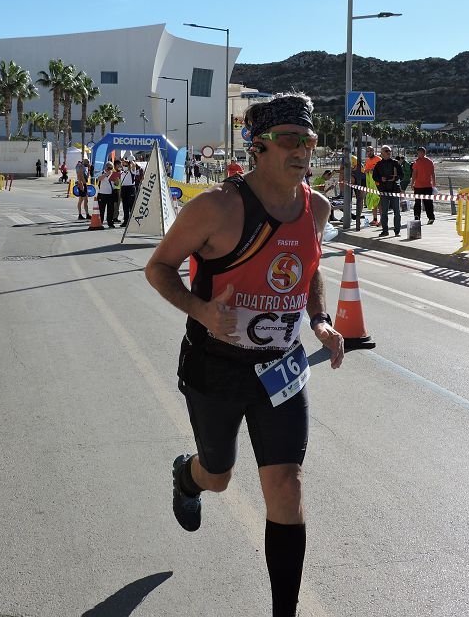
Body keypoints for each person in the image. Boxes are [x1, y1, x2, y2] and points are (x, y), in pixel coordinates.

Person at [145, 92, 344, 617]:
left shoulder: (316, 208)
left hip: (280, 370)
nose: (301, 150)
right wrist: (202, 311)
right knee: (219, 475)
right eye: (288, 140)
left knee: (286, 485)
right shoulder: (216, 208)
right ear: (258, 147)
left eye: (308, 140)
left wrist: (319, 319)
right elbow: (158, 268)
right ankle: (187, 476)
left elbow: (309, 265)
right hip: (215, 367)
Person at [372, 145, 402, 237]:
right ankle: (385, 230)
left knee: (397, 211)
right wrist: (381, 179)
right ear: (382, 153)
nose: (388, 152)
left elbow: (402, 175)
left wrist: (395, 178)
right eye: (386, 151)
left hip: (394, 190)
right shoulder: (379, 164)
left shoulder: (395, 163)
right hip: (384, 190)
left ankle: (397, 231)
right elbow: (374, 177)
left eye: (389, 151)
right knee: (384, 212)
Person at [410, 146, 437, 225]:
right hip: (427, 185)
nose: (418, 154)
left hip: (419, 186)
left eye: (419, 153)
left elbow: (414, 173)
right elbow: (433, 173)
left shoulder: (417, 162)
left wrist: (412, 183)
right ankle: (430, 217)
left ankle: (417, 216)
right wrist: (434, 183)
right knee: (428, 202)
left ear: (423, 153)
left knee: (419, 202)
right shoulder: (430, 161)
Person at [363, 145, 381, 226]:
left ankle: (382, 220)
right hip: (370, 185)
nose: (369, 152)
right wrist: (368, 170)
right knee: (373, 202)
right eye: (368, 151)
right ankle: (375, 219)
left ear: (373, 151)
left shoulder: (378, 159)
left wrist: (372, 170)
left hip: (378, 185)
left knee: (379, 202)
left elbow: (380, 170)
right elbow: (365, 171)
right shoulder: (367, 161)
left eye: (370, 151)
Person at [96, 162, 116, 228]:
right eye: (109, 168)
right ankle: (100, 222)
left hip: (110, 194)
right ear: (106, 167)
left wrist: (117, 181)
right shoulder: (102, 173)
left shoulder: (113, 174)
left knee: (110, 210)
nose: (110, 169)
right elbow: (99, 179)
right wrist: (106, 174)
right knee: (101, 210)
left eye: (111, 168)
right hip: (102, 194)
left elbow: (116, 184)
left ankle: (110, 222)